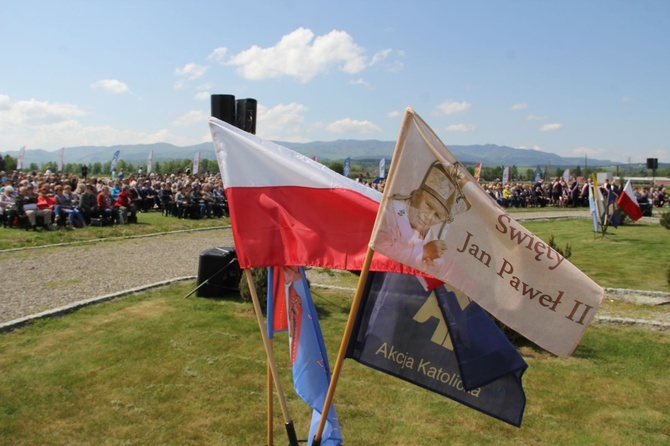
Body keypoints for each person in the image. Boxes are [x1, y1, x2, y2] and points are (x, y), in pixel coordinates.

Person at [374, 161, 471, 268]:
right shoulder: (388, 211)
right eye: (428, 205)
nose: (428, 217)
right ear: (416, 194)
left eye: (437, 216)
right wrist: (423, 252)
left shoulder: (432, 237)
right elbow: (377, 249)